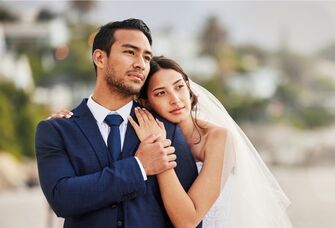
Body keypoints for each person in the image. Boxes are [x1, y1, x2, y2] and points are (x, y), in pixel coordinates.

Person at [55, 56, 293, 227]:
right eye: (161, 93)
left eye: (179, 87)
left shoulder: (218, 138)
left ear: (189, 89)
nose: (175, 99)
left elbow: (188, 221)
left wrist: (160, 151)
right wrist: (69, 120)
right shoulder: (138, 130)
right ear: (146, 102)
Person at [35, 19, 199, 228]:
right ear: (100, 57)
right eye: (130, 52)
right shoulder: (56, 130)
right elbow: (63, 199)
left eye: (146, 57)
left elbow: (188, 219)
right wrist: (139, 167)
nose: (141, 63)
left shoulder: (166, 129)